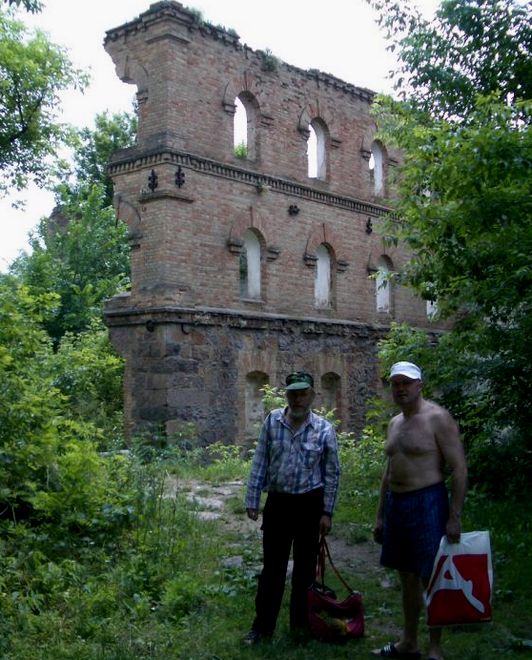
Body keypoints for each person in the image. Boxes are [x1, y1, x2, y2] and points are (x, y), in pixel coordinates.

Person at [373, 361, 467, 660]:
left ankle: (435, 646)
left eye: (406, 383)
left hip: (427, 501)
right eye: (395, 384)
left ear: (419, 385)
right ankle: (409, 641)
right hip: (397, 505)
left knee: (431, 575)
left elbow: (459, 468)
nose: (400, 389)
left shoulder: (437, 418)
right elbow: (387, 472)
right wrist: (380, 516)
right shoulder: (395, 423)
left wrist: (454, 516)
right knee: (406, 577)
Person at [243, 370, 340, 644]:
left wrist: (327, 512)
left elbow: (332, 474)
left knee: (305, 571)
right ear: (286, 394)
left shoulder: (324, 429)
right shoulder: (272, 422)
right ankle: (262, 628)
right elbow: (260, 461)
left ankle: (301, 626)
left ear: (312, 395)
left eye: (303, 393)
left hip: (310, 504)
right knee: (272, 569)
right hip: (278, 504)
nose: (297, 399)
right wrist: (253, 500)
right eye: (293, 393)